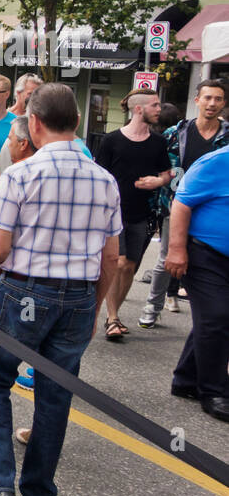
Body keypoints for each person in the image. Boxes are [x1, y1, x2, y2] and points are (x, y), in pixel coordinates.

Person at [0, 83, 121, 496]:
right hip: (77, 294)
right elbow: (111, 256)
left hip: (23, 289)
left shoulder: (21, 174)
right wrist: (93, 305)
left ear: (33, 123)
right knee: (55, 392)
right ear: (75, 123)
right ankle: (39, 492)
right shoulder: (104, 180)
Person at [140, 78, 229, 330]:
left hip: (212, 211)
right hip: (177, 204)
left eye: (218, 99)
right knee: (167, 258)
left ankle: (197, 316)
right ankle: (152, 306)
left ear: (223, 104)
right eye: (208, 98)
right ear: (197, 100)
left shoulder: (227, 135)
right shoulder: (176, 132)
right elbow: (161, 166)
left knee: (205, 263)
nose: (212, 103)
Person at [94, 89, 172, 341]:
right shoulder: (111, 140)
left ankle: (112, 315)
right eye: (155, 105)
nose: (159, 109)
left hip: (142, 213)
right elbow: (99, 176)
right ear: (139, 109)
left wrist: (157, 181)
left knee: (129, 267)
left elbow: (168, 173)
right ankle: (112, 317)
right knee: (118, 262)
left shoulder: (159, 142)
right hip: (113, 214)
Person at [165, 142, 229, 422]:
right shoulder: (216, 162)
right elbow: (181, 203)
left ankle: (185, 380)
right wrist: (176, 249)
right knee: (216, 316)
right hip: (204, 254)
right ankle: (214, 391)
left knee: (212, 319)